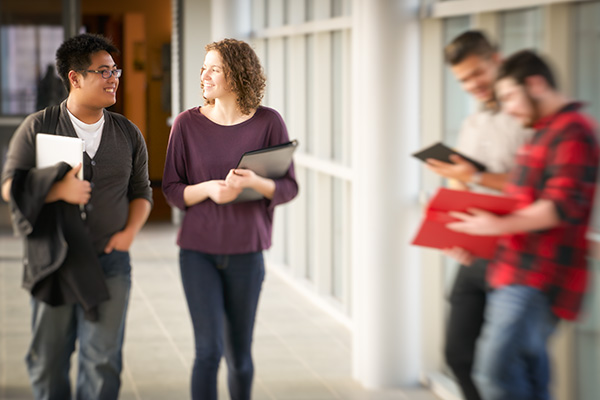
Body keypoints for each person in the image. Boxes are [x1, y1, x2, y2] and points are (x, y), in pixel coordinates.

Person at [1, 33, 152, 400]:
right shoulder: (38, 126)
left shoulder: (128, 133)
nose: (113, 77)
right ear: (75, 78)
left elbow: (141, 192)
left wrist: (130, 232)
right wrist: (56, 190)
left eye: (114, 70)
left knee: (102, 362)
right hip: (54, 261)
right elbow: (9, 185)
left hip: (110, 261)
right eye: (103, 71)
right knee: (49, 360)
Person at [447, 50, 599, 400]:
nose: (510, 109)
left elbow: (556, 207)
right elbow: (522, 204)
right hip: (513, 270)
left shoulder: (572, 131)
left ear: (536, 84)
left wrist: (492, 229)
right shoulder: (544, 133)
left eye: (511, 97)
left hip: (537, 277)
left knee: (495, 372)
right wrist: (479, 239)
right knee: (527, 376)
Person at [162, 38, 298, 400]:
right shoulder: (186, 124)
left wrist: (257, 182)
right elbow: (172, 189)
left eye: (214, 68)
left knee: (239, 358)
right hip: (197, 253)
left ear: (237, 76)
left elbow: (289, 187)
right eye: (203, 67)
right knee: (208, 353)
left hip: (246, 253)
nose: (203, 75)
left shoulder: (269, 123)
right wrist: (207, 189)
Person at [425, 30, 531, 400]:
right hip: (474, 251)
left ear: (496, 61)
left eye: (477, 74)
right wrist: (453, 233)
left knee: (508, 363)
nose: (472, 85)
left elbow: (532, 187)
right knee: (457, 355)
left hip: (516, 251)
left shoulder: (524, 118)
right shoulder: (471, 123)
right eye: (463, 80)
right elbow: (463, 185)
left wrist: (474, 176)